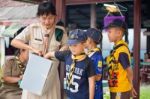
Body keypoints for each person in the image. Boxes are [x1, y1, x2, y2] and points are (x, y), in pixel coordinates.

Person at [11, 1, 68, 99]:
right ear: (39, 17)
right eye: (44, 18)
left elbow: (67, 46)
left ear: (55, 16)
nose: (47, 22)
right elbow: (14, 42)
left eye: (50, 18)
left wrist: (57, 52)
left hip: (52, 72)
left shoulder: (60, 31)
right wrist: (31, 48)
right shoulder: (32, 29)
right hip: (34, 71)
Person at [44, 29, 96, 99]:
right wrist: (45, 60)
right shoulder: (67, 54)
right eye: (70, 45)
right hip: (69, 96)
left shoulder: (88, 62)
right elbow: (50, 54)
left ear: (84, 44)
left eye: (75, 45)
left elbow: (92, 84)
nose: (72, 48)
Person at [105, 19, 137, 99]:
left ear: (118, 33)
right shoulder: (116, 49)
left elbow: (129, 70)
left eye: (110, 32)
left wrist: (131, 86)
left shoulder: (121, 51)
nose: (107, 34)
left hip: (121, 90)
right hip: (115, 88)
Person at [84, 28, 103, 99]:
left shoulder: (97, 56)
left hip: (96, 94)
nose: (83, 40)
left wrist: (82, 77)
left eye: (84, 38)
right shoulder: (89, 54)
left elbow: (98, 77)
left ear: (89, 40)